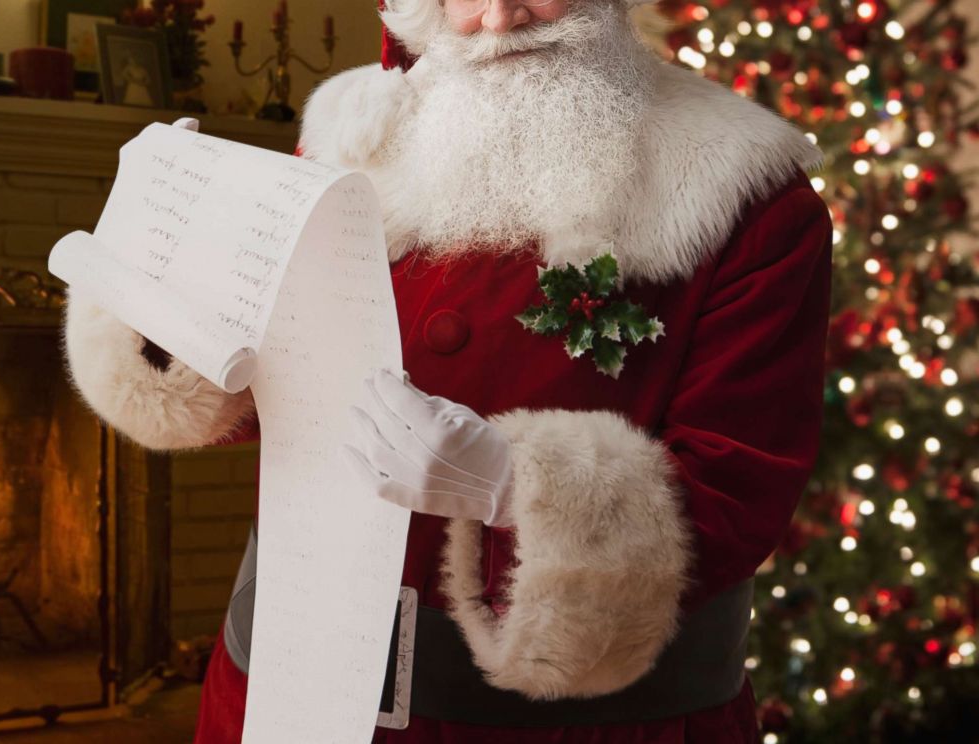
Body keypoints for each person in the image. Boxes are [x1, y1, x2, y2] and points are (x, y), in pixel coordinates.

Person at [62, 0, 834, 741]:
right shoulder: (350, 136)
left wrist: (511, 486)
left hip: (577, 727)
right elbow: (257, 392)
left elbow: (739, 489)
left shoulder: (744, 193)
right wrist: (160, 266)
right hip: (284, 696)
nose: (499, 17)